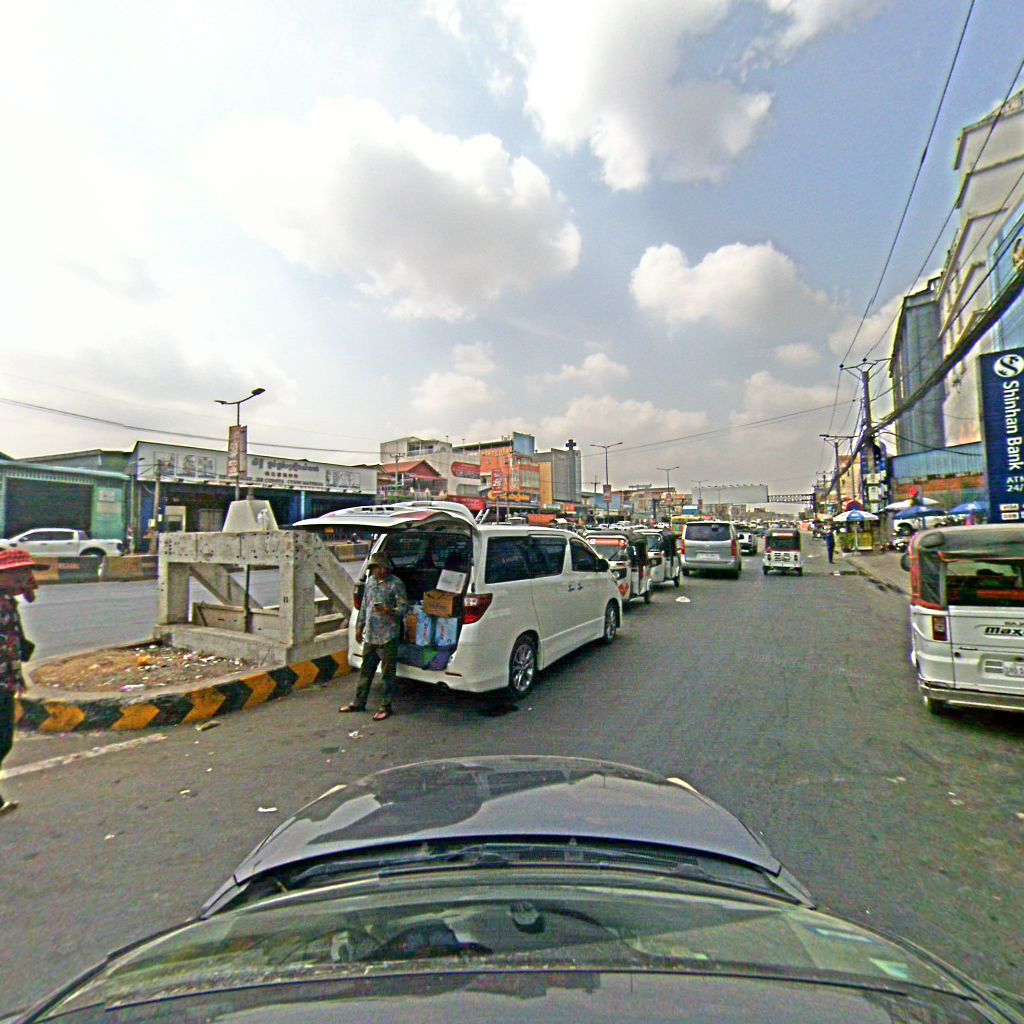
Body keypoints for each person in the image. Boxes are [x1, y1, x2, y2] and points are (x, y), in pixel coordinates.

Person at [340, 552, 408, 721]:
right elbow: (365, 606)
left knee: (387, 674)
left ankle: (386, 706)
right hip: (371, 634)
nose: (377, 571)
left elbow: (403, 608)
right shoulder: (370, 582)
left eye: (379, 567)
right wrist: (359, 627)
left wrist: (389, 611)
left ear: (386, 568)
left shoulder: (396, 584)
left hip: (388, 635)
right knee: (366, 670)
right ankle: (359, 701)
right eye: (375, 568)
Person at [0, 549, 39, 815]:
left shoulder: (7, 601)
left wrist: (26, 589)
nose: (22, 578)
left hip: (6, 679)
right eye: (15, 574)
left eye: (25, 573)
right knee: (2, 741)